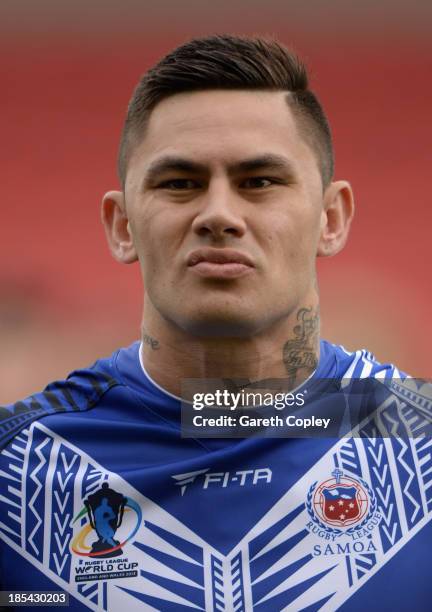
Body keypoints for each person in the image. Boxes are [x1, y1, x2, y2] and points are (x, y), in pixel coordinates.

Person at [0, 34, 430, 611]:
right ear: (121, 225)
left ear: (331, 217)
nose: (219, 215)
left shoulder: (419, 449)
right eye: (180, 183)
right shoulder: (16, 471)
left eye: (260, 182)